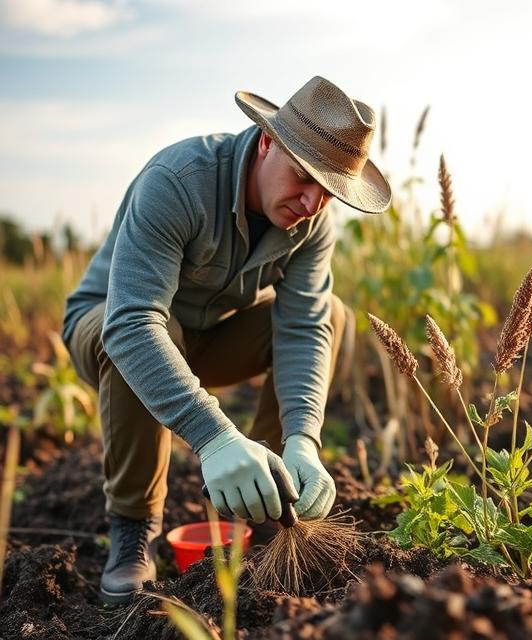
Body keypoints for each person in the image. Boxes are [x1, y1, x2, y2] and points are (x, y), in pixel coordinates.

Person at [62, 75, 391, 604]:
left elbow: (304, 326)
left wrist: (302, 437)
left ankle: (270, 493)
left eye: (328, 192)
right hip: (108, 327)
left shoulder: (311, 224)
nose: (311, 202)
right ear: (267, 142)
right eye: (304, 177)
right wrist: (213, 436)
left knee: (332, 314)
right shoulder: (178, 181)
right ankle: (132, 527)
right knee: (148, 328)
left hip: (211, 338)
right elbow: (131, 322)